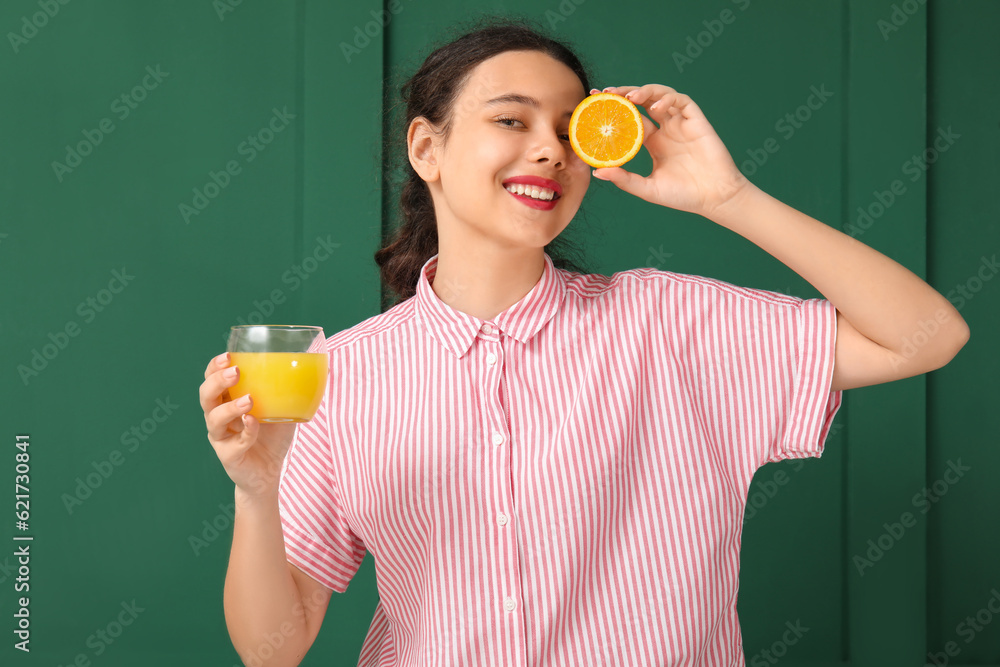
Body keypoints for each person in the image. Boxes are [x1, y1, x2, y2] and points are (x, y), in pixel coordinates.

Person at [199, 15, 970, 667]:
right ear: (427, 149)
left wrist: (729, 198)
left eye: (572, 131)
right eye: (512, 119)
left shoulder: (670, 327)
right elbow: (275, 646)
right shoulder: (339, 374)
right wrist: (257, 489)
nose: (550, 151)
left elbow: (926, 336)